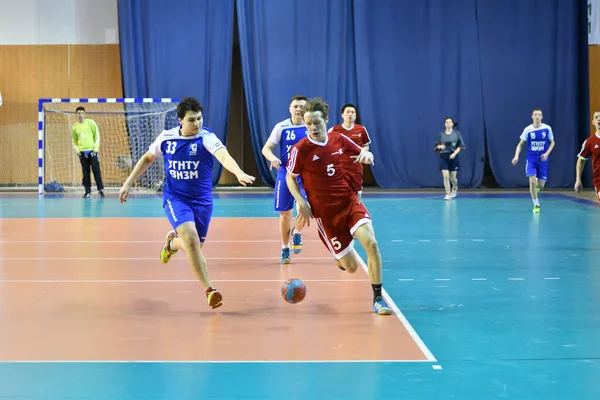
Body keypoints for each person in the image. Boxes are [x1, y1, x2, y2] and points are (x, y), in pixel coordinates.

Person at [119, 97, 255, 309]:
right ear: (180, 120)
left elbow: (223, 156)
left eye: (199, 118)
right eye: (192, 120)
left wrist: (237, 172)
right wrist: (128, 182)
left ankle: (172, 244)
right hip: (175, 198)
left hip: (202, 201)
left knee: (195, 247)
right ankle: (210, 290)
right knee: (191, 240)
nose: (197, 124)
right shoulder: (166, 138)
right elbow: (147, 158)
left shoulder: (206, 138)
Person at [285, 97, 392, 315]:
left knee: (371, 243)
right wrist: (300, 201)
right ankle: (340, 257)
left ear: (325, 120)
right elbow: (290, 178)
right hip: (326, 215)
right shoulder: (301, 149)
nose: (313, 128)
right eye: (308, 124)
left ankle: (378, 299)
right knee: (351, 267)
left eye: (317, 123)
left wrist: (366, 154)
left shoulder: (338, 139)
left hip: (349, 201)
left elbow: (361, 152)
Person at [261, 95, 308, 264]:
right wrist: (272, 157)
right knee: (285, 214)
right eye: (295, 106)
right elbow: (266, 149)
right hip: (286, 173)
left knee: (306, 208)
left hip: (306, 174)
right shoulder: (281, 127)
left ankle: (297, 232)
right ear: (290, 109)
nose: (298, 109)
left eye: (302, 106)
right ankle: (285, 248)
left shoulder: (311, 127)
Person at [511, 109, 555, 213]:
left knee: (541, 185)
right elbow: (520, 144)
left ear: (542, 117)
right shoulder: (528, 129)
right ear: (532, 117)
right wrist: (516, 156)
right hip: (531, 159)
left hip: (543, 160)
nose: (537, 116)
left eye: (539, 115)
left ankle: (537, 188)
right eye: (535, 115)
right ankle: (536, 205)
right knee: (532, 181)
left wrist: (546, 154)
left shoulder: (547, 128)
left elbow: (552, 143)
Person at [328, 103, 372, 202]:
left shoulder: (361, 129)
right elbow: (328, 147)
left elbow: (366, 146)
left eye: (353, 112)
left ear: (355, 115)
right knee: (339, 194)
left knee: (357, 195)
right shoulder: (334, 130)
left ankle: (355, 212)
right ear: (342, 115)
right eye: (348, 112)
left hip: (355, 167)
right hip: (339, 168)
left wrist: (362, 153)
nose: (350, 114)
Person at [72, 106, 105, 198]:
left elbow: (97, 136)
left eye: (82, 113)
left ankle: (100, 190)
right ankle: (87, 192)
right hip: (82, 154)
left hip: (92, 152)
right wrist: (77, 151)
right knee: (85, 173)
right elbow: (74, 141)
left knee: (96, 171)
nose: (80, 115)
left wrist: (95, 148)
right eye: (79, 113)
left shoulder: (91, 123)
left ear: (85, 114)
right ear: (76, 114)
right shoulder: (74, 127)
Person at [434, 118, 465, 200]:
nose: (448, 123)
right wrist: (439, 146)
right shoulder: (441, 135)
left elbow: (460, 146)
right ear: (445, 124)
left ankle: (454, 188)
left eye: (449, 122)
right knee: (446, 176)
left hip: (453, 156)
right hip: (443, 156)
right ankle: (447, 194)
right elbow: (436, 146)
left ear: (452, 124)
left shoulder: (457, 134)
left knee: (453, 178)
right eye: (446, 122)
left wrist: (454, 154)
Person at [575, 111, 600, 201]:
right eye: (596, 117)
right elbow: (581, 160)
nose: (599, 119)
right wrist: (578, 179)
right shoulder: (589, 142)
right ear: (593, 122)